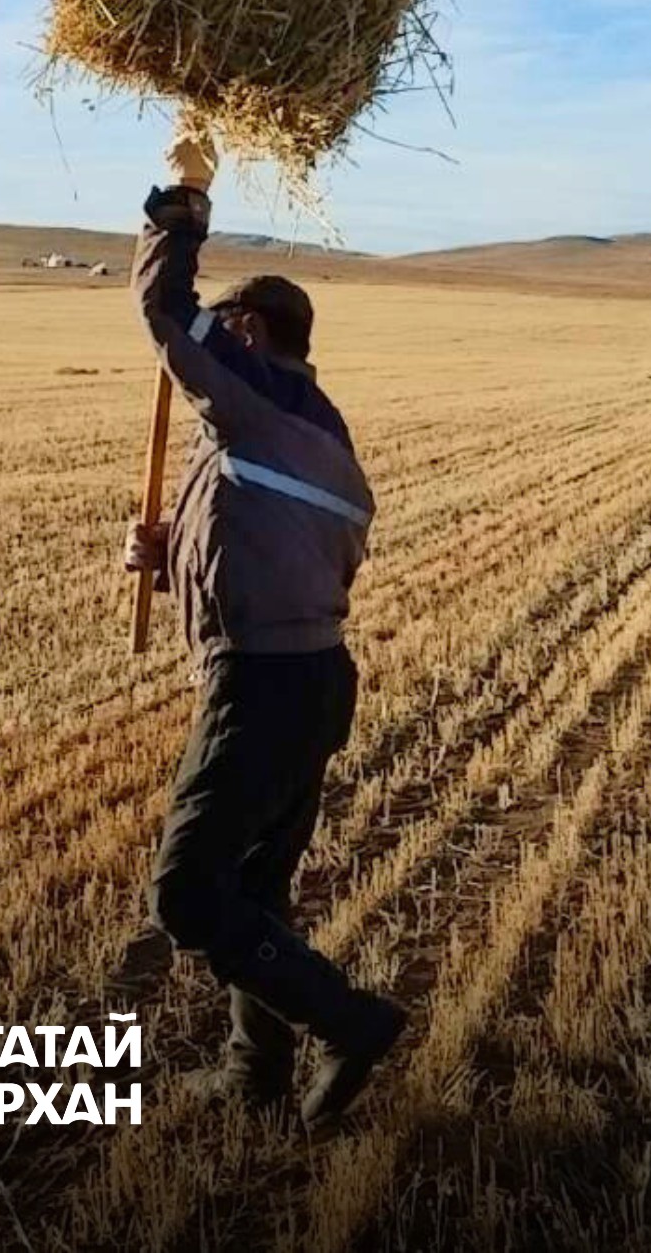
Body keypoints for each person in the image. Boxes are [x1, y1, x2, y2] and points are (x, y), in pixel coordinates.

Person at [116, 175, 404, 1130]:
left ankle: (350, 1022)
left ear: (246, 333)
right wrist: (170, 559)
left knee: (191, 895)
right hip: (309, 675)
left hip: (268, 683)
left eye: (226, 326)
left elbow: (162, 311)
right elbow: (273, 549)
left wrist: (176, 222)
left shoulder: (265, 402)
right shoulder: (300, 429)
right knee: (255, 889)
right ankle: (255, 1070)